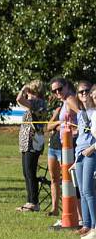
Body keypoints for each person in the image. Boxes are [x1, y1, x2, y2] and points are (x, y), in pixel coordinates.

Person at [46, 77, 80, 220]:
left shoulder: (71, 99)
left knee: (70, 180)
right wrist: (60, 124)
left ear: (66, 86)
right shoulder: (62, 104)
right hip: (57, 144)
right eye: (54, 91)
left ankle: (77, 215)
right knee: (55, 178)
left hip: (68, 145)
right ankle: (55, 208)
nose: (57, 92)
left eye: (60, 89)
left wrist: (76, 130)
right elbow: (48, 126)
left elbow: (82, 115)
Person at [15, 80, 48, 212]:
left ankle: (34, 202)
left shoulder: (37, 102)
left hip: (33, 141)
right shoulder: (33, 103)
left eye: (28, 91)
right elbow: (20, 101)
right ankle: (29, 201)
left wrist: (23, 88)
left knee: (30, 172)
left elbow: (19, 99)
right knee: (26, 172)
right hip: (26, 141)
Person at [72, 82, 96, 239]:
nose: (84, 94)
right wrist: (75, 159)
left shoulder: (94, 112)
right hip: (80, 153)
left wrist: (92, 149)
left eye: (87, 91)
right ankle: (86, 224)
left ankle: (94, 227)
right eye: (81, 92)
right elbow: (80, 137)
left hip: (90, 152)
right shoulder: (80, 113)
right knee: (82, 191)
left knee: (88, 190)